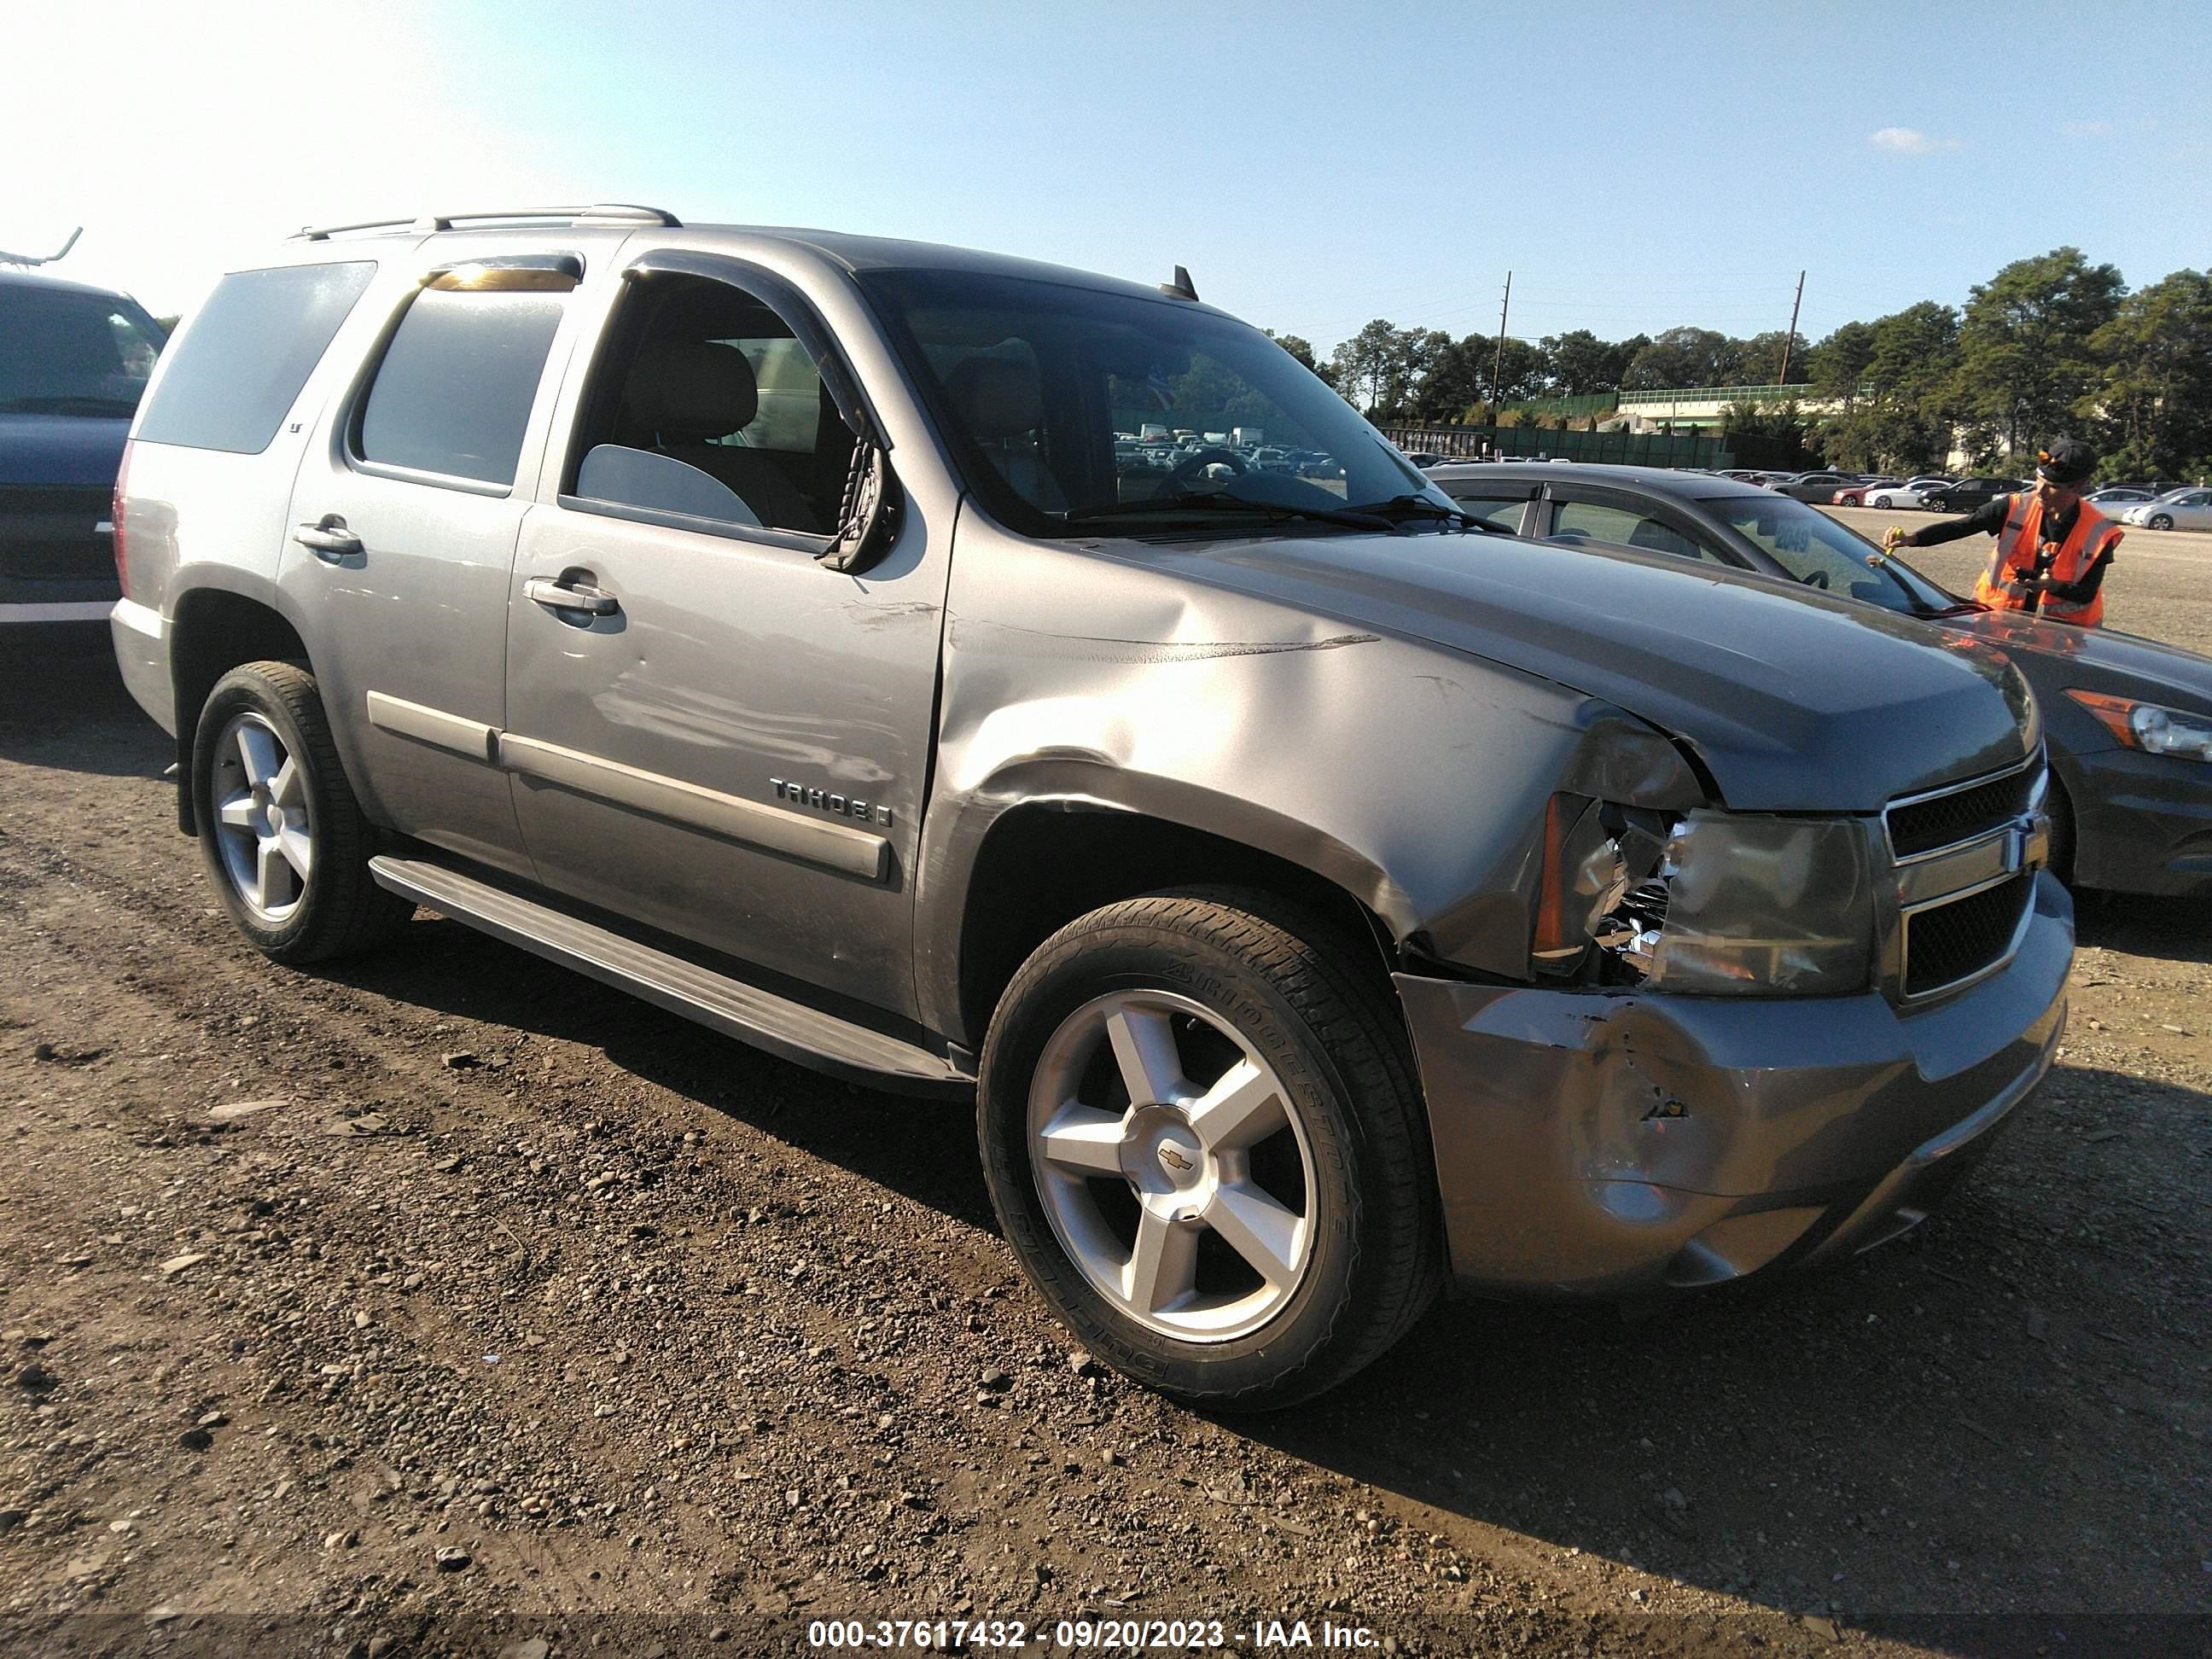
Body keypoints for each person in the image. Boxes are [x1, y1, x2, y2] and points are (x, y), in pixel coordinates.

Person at [1882, 437, 2120, 626]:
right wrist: (1912, 539)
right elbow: (1961, 526)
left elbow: (2086, 594)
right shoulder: (2014, 507)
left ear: (2079, 486)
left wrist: (2051, 586)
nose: (2040, 492)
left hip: (2063, 635)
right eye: (2038, 481)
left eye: (2052, 488)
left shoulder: (2098, 531)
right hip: (1999, 623)